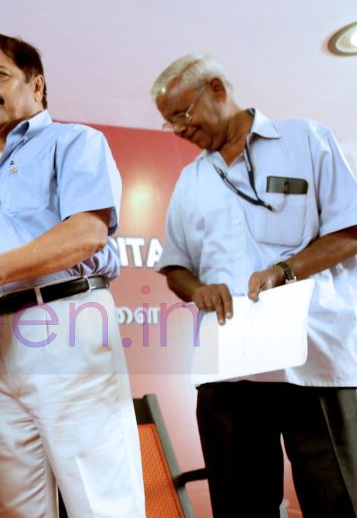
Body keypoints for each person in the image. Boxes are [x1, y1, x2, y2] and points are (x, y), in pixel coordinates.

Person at [0, 34, 145, 517]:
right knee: (10, 506)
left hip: (64, 322)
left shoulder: (77, 141)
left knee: (101, 498)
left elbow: (86, 234)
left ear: (37, 84)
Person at [152, 53, 357, 517]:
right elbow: (176, 267)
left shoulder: (306, 139)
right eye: (169, 123)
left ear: (218, 90)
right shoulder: (191, 181)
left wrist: (286, 270)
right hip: (230, 364)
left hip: (315, 354)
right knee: (239, 505)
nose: (180, 130)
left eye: (182, 115)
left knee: (339, 497)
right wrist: (197, 289)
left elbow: (350, 229)